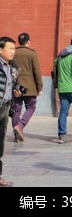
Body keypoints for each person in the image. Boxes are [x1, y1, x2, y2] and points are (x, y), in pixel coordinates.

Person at [11, 32, 43, 142]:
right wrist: (40, 87)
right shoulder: (32, 53)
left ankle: (17, 136)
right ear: (28, 41)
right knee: (31, 107)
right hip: (29, 86)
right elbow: (37, 71)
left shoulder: (13, 52)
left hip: (16, 85)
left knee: (16, 110)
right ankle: (20, 126)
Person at [0, 36, 19, 186]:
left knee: (0, 142)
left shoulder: (12, 66)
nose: (13, 51)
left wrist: (15, 91)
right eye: (10, 48)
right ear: (0, 50)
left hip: (5, 107)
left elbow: (10, 85)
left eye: (14, 49)